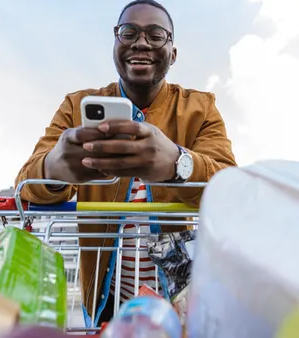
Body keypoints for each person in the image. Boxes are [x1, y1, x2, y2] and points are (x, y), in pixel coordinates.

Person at [15, 0, 236, 327]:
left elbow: (229, 189)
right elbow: (25, 185)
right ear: (115, 44)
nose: (141, 42)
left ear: (173, 53)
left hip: (179, 296)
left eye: (156, 34)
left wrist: (178, 163)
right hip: (106, 299)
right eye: (128, 32)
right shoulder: (76, 107)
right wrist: (54, 169)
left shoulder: (200, 108)